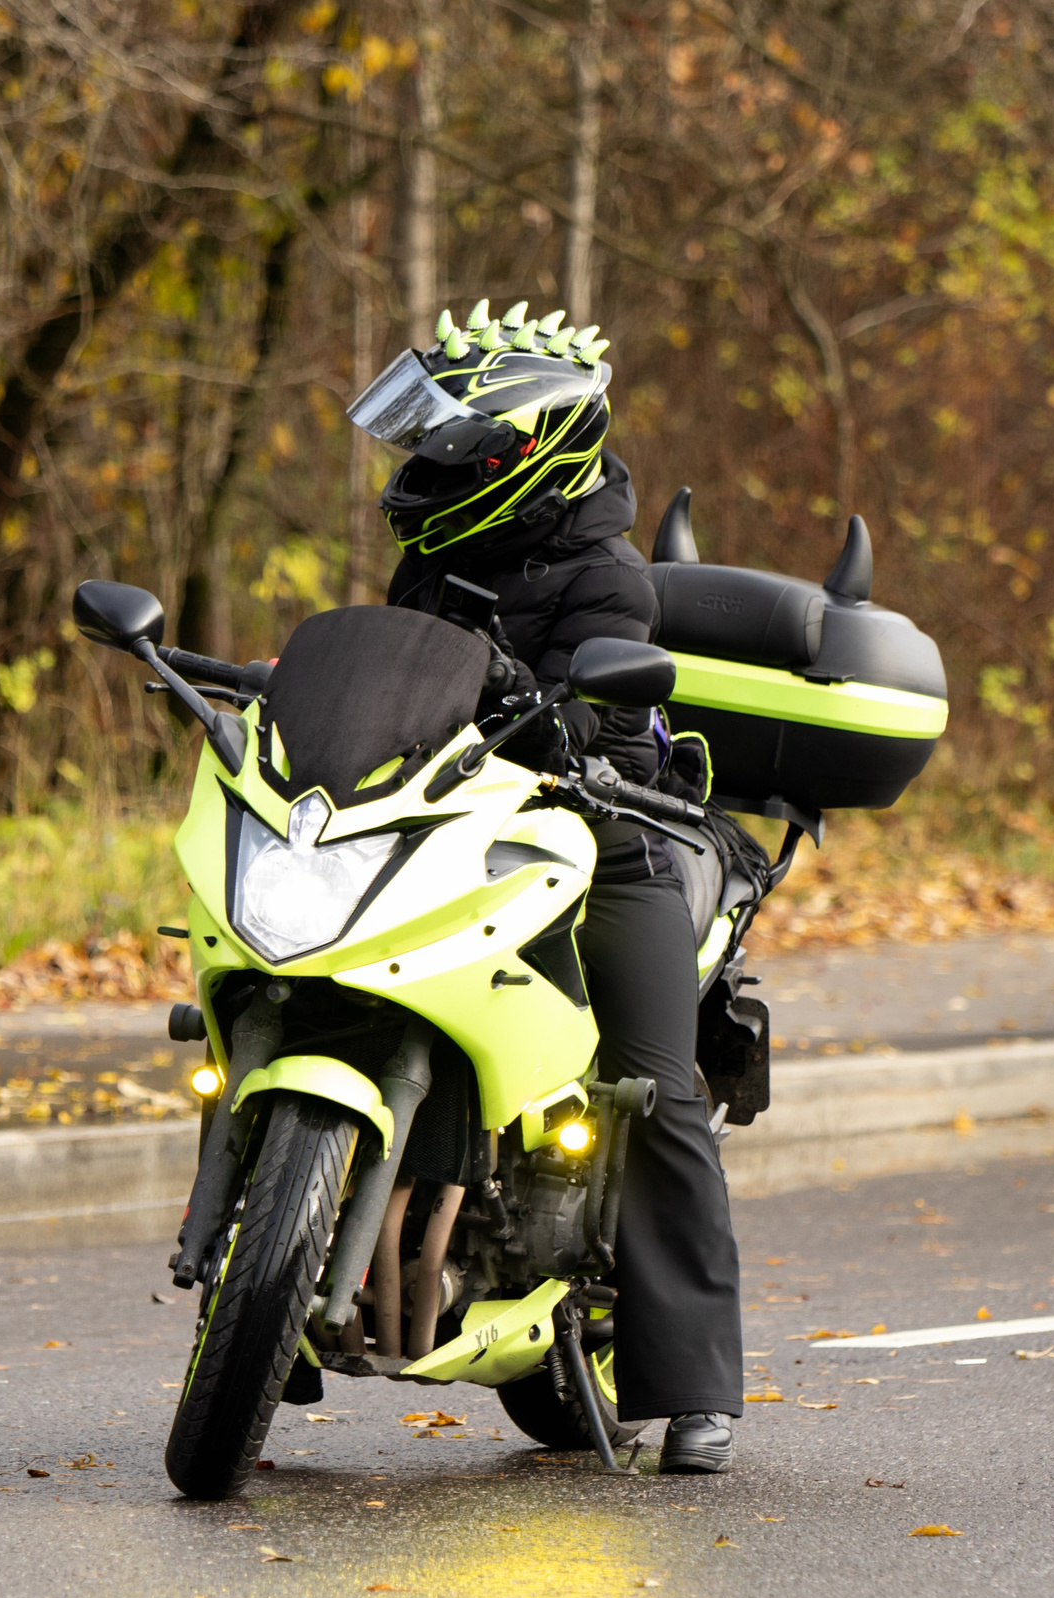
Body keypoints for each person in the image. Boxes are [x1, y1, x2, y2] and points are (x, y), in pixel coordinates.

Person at [353, 298, 743, 1473]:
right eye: (418, 446)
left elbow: (600, 711)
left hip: (602, 841)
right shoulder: (430, 560)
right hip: (454, 833)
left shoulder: (606, 575)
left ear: (521, 450)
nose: (423, 467)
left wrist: (552, 717)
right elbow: (398, 680)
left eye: (444, 446)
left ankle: (696, 1390)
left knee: (651, 1084)